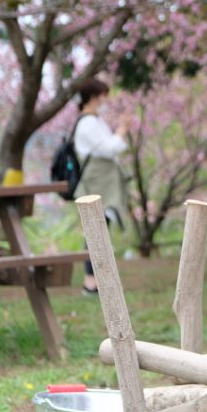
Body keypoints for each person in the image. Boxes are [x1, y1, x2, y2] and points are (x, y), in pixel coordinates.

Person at [72, 79, 131, 294]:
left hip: (103, 180)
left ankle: (97, 281)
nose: (106, 100)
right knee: (95, 229)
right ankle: (90, 282)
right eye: (104, 95)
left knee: (100, 228)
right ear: (93, 97)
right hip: (96, 181)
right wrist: (122, 130)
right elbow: (108, 149)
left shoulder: (95, 121)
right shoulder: (87, 123)